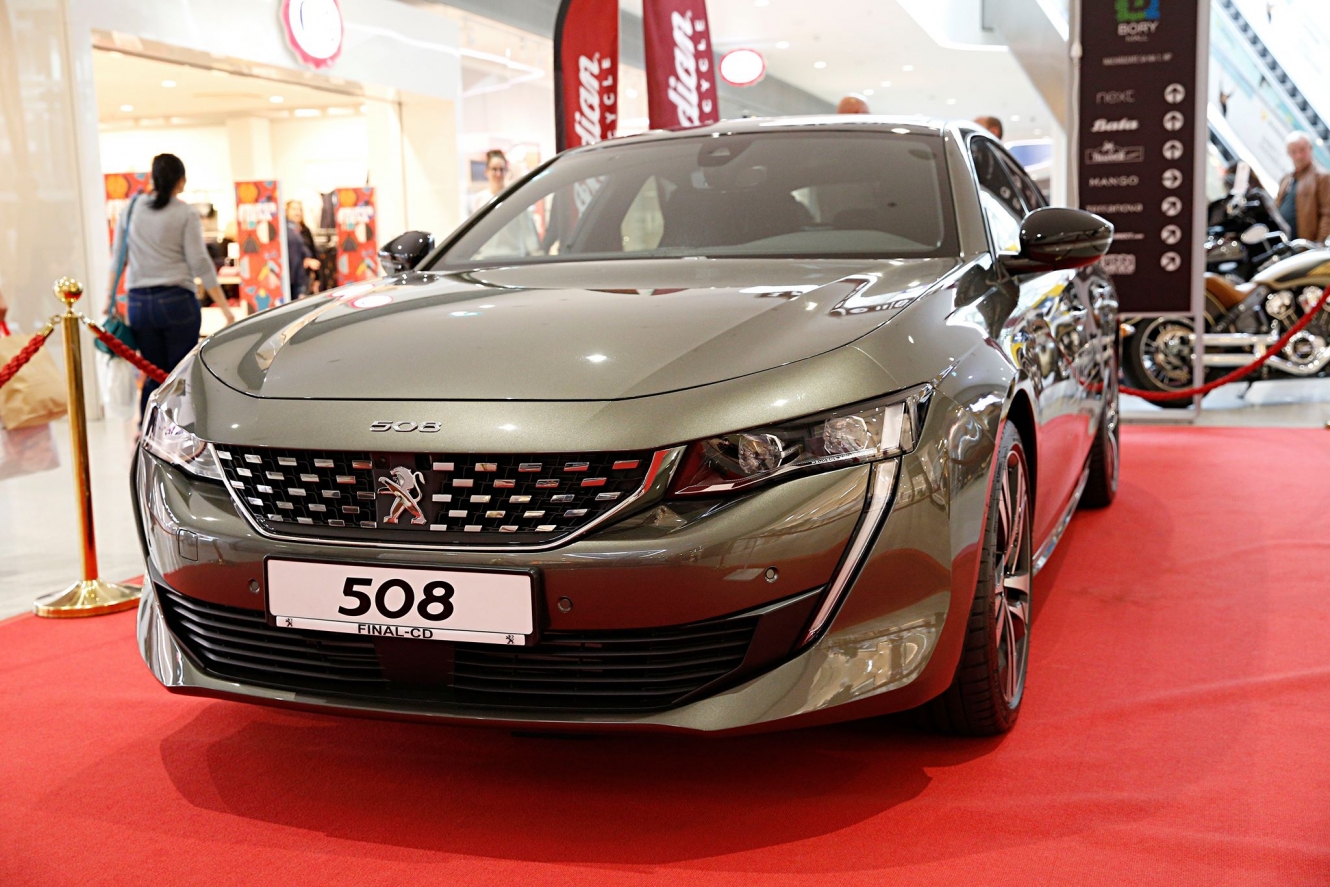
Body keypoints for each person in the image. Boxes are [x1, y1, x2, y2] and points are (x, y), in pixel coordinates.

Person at [110, 153, 234, 419]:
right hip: (177, 301)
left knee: (152, 373)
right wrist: (224, 307)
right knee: (180, 375)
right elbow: (200, 262)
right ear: (180, 180)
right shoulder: (184, 213)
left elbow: (118, 258)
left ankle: (148, 431)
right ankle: (183, 432)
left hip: (139, 304)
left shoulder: (131, 210)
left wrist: (108, 301)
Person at [1274, 131, 1330, 242]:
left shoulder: (1322, 177)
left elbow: (1328, 214)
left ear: (1310, 149)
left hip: (1304, 246)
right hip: (1282, 241)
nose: (1299, 156)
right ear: (1289, 154)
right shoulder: (1286, 179)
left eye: (1302, 150)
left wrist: (1319, 244)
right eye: (1293, 152)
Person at [285, 200, 320, 297]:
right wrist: (305, 259)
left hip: (302, 277)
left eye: (299, 209)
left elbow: (313, 251)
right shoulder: (285, 230)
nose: (297, 212)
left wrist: (317, 277)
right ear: (286, 211)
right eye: (294, 209)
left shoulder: (304, 230)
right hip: (291, 277)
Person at [471, 150, 510, 214]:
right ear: (486, 171)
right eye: (494, 169)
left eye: (501, 169)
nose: (498, 174)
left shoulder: (512, 196)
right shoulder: (479, 199)